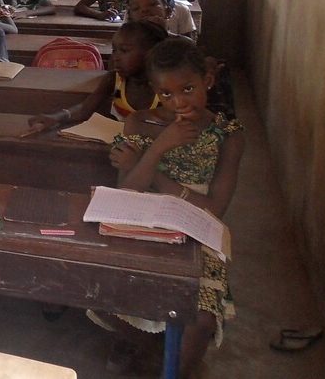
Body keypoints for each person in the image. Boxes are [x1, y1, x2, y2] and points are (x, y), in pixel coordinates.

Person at [101, 39, 243, 377]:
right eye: (166, 94)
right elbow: (126, 193)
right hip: (142, 219)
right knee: (98, 291)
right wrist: (159, 147)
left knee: (199, 317)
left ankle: (178, 367)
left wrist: (155, 174)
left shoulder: (228, 134)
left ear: (208, 80)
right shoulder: (138, 123)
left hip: (197, 231)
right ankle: (148, 347)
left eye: (189, 88)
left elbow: (213, 211)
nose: (178, 102)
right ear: (155, 91)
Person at [28, 21, 168, 131]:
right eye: (114, 50)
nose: (115, 57)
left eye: (124, 51)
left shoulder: (167, 88)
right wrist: (57, 117)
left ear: (151, 53)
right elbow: (84, 109)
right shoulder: (114, 79)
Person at [128, 0, 197, 41]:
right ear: (130, 18)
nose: (144, 10)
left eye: (152, 4)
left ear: (168, 11)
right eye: (136, 8)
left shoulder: (176, 41)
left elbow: (189, 45)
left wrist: (164, 33)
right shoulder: (127, 41)